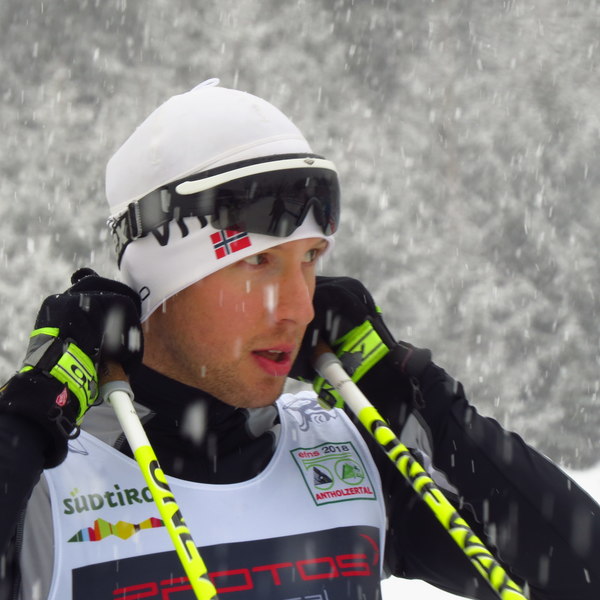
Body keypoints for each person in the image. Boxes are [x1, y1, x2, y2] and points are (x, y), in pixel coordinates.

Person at [0, 79, 598, 600]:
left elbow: (582, 573)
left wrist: (415, 399)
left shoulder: (345, 456)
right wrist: (26, 419)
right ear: (159, 286)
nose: (299, 307)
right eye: (258, 264)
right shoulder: (47, 486)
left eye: (310, 259)